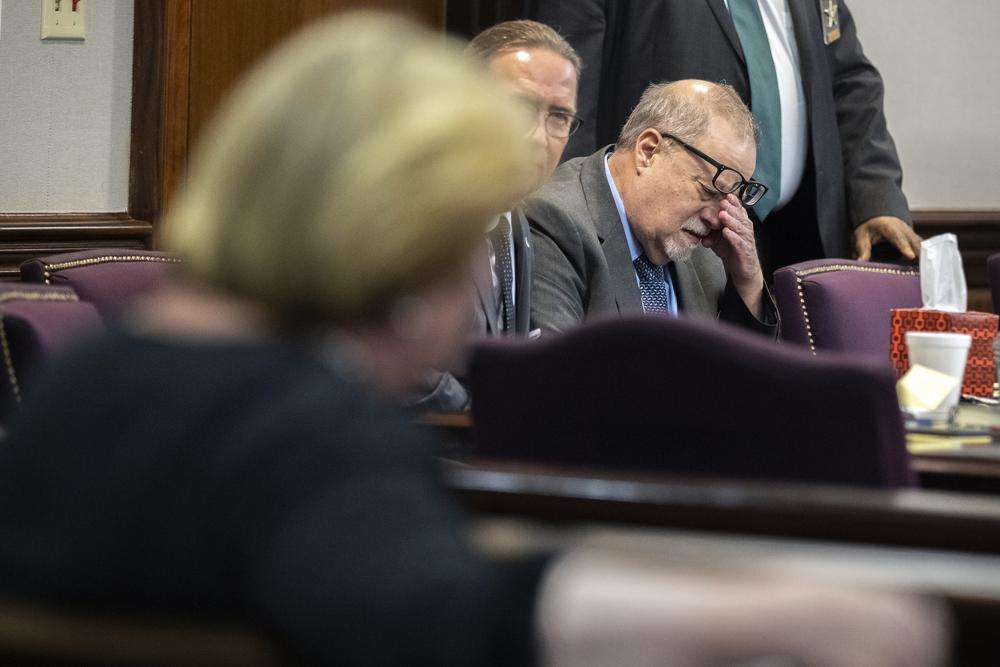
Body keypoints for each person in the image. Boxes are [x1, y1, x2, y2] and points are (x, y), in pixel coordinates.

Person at [0, 12, 945, 666]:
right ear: (399, 244)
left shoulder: (80, 385)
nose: (480, 293)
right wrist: (773, 612)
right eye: (468, 242)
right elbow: (443, 613)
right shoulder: (307, 434)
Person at [526, 0, 923, 274]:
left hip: (802, 237)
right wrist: (579, 221)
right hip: (661, 244)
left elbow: (850, 80)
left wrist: (875, 198)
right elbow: (569, 79)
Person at [416, 20, 582, 410]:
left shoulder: (518, 220)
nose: (538, 139)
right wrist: (484, 418)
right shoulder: (417, 208)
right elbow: (400, 362)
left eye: (558, 117)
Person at [528, 79, 780, 337]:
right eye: (708, 191)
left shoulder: (705, 246)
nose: (718, 219)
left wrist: (748, 280)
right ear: (648, 151)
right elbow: (554, 372)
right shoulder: (555, 222)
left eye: (731, 199)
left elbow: (746, 372)